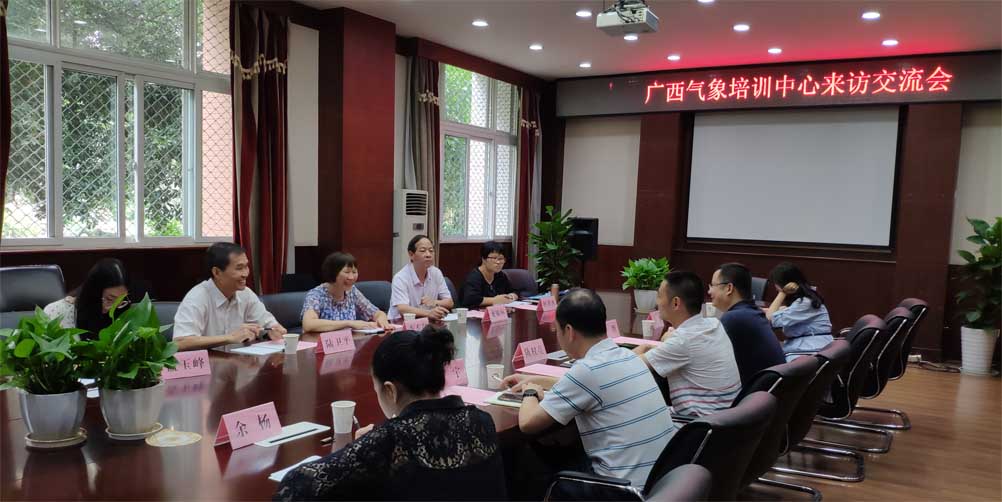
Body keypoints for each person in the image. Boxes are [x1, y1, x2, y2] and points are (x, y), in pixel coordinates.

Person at [275, 326, 505, 500]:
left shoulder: (390, 440)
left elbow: (294, 486)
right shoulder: (482, 421)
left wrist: (365, 446)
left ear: (389, 390)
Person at [502, 289, 673, 489]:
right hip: (661, 480)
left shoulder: (587, 371)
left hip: (621, 489)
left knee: (526, 461)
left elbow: (528, 423)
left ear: (569, 331)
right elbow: (587, 384)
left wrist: (530, 392)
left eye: (557, 330)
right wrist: (533, 379)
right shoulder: (627, 356)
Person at [633, 271, 742, 417]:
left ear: (676, 303)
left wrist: (643, 347)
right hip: (727, 417)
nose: (657, 302)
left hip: (698, 424)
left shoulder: (683, 341)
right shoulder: (714, 324)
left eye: (659, 295)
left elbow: (628, 366)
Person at [172, 242, 287, 351]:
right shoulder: (197, 297)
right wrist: (230, 337)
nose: (245, 274)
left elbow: (269, 324)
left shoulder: (246, 294)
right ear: (217, 272)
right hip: (209, 363)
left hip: (239, 362)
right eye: (239, 268)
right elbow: (180, 342)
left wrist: (274, 330)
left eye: (246, 266)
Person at [709, 263, 786, 385]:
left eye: (713, 285)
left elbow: (707, 358)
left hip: (755, 393)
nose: (709, 291)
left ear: (729, 288)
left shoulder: (734, 318)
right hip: (770, 391)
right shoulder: (752, 312)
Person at [301, 252, 393, 333]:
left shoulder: (352, 291)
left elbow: (377, 313)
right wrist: (349, 323)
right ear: (332, 273)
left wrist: (382, 320)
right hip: (322, 344)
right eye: (347, 272)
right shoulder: (316, 294)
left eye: (354, 272)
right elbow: (309, 324)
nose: (351, 277)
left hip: (348, 343)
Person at [43, 258, 131, 338]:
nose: (112, 308)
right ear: (94, 292)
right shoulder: (58, 312)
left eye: (120, 301)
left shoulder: (125, 314)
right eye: (109, 299)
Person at [765, 262, 833, 357]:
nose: (776, 287)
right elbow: (781, 311)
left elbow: (770, 318)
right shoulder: (806, 298)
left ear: (785, 284)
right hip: (807, 345)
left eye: (776, 283)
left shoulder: (805, 303)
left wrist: (782, 293)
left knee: (765, 355)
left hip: (810, 349)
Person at [389, 235, 454, 320]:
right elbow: (403, 309)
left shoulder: (436, 273)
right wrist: (429, 313)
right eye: (423, 251)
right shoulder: (400, 278)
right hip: (400, 324)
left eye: (431, 251)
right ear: (411, 254)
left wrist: (434, 302)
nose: (428, 255)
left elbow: (449, 302)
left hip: (427, 323)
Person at [459, 241, 517, 309]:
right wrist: (494, 300)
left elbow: (514, 291)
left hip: (495, 312)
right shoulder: (474, 277)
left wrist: (511, 297)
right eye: (494, 258)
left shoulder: (500, 275)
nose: (498, 262)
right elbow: (470, 299)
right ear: (484, 259)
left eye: (501, 258)